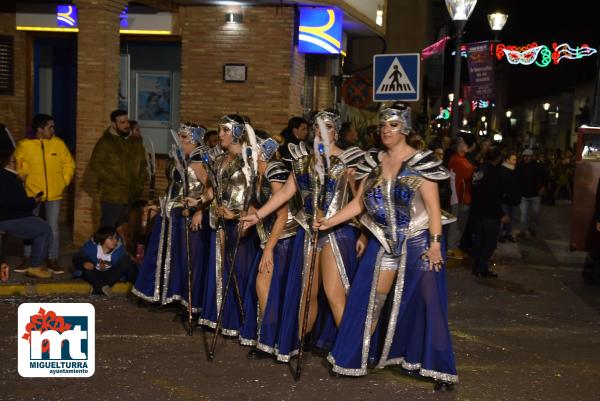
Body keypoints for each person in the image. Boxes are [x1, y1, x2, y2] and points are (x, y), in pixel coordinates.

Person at [314, 103, 457, 390]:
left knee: (430, 303)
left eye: (392, 125)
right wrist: (328, 222)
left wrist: (436, 246)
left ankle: (438, 369)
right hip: (383, 241)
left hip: (418, 241)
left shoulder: (422, 162)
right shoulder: (373, 161)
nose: (386, 131)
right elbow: (358, 203)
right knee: (370, 302)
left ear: (404, 127)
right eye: (382, 126)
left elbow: (432, 208)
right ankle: (358, 356)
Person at [242, 109, 364, 360]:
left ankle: (352, 354)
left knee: (333, 293)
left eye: (327, 126)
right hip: (308, 232)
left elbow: (360, 202)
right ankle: (295, 343)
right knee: (305, 293)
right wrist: (259, 214)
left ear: (336, 131)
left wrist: (363, 234)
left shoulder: (350, 161)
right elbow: (285, 194)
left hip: (337, 232)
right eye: (317, 127)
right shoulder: (303, 162)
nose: (320, 131)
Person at [132, 123, 210, 312]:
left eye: (185, 137)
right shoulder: (181, 156)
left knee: (184, 257)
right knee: (166, 255)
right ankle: (162, 293)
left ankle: (184, 299)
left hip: (186, 213)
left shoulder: (200, 159)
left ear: (194, 139)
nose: (181, 140)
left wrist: (200, 210)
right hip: (170, 214)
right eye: (180, 136)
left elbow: (210, 189)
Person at [199, 115, 260, 336]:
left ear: (237, 132)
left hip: (241, 223)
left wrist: (239, 215)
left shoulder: (249, 159)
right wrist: (199, 202)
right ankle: (220, 318)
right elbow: (213, 189)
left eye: (225, 130)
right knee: (221, 268)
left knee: (239, 273)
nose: (220, 135)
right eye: (220, 130)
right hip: (219, 220)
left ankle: (241, 322)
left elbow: (256, 194)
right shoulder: (218, 160)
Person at [13, 114, 74, 274]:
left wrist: (63, 181)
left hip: (54, 193)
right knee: (29, 225)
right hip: (32, 193)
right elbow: (16, 165)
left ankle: (52, 259)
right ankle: (28, 258)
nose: (53, 130)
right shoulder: (25, 145)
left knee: (53, 227)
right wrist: (24, 179)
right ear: (40, 129)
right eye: (50, 127)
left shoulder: (58, 144)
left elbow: (68, 164)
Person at [0, 148, 53, 279]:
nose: (17, 163)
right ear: (7, 163)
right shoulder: (7, 178)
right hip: (9, 218)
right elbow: (15, 203)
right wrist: (33, 201)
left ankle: (30, 260)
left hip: (8, 216)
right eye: (14, 161)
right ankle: (35, 266)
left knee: (36, 224)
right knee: (44, 229)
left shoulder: (7, 177)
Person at [90, 109, 148, 229]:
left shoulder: (135, 141)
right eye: (122, 122)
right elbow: (95, 164)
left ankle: (122, 248)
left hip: (132, 195)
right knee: (108, 230)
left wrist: (140, 182)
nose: (126, 125)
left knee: (126, 230)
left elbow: (143, 164)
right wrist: (113, 181)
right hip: (113, 196)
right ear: (113, 124)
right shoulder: (105, 142)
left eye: (126, 121)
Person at [470, 147, 508, 278]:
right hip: (489, 214)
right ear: (498, 158)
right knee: (489, 243)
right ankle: (482, 268)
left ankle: (477, 267)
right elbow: (493, 196)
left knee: (479, 241)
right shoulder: (493, 172)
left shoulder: (479, 169)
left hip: (477, 211)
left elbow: (475, 189)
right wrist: (501, 214)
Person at [73, 226, 137, 295]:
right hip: (94, 274)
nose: (114, 241)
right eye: (110, 238)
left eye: (115, 238)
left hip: (109, 276)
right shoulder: (91, 248)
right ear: (102, 238)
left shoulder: (119, 250)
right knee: (87, 267)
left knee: (125, 261)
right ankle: (101, 288)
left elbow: (128, 267)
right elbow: (76, 259)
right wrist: (84, 263)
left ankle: (98, 288)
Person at [447, 136, 475, 258]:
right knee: (456, 225)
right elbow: (469, 171)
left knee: (460, 225)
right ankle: (451, 248)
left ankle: (454, 246)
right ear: (459, 146)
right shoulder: (456, 159)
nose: (466, 146)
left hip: (463, 196)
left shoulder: (462, 159)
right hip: (458, 197)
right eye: (464, 143)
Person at [516, 148, 546, 238]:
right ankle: (522, 231)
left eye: (528, 156)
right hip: (523, 195)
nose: (526, 158)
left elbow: (545, 176)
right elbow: (516, 179)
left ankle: (532, 228)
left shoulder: (538, 166)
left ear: (532, 157)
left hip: (535, 194)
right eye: (525, 156)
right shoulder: (519, 166)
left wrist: (543, 187)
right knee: (523, 215)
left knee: (535, 214)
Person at [498, 151, 520, 242]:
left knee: (511, 218)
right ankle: (500, 235)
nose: (515, 161)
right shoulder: (501, 170)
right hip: (504, 199)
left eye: (516, 159)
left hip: (513, 199)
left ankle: (508, 233)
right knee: (503, 217)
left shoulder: (515, 169)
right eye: (513, 159)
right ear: (507, 160)